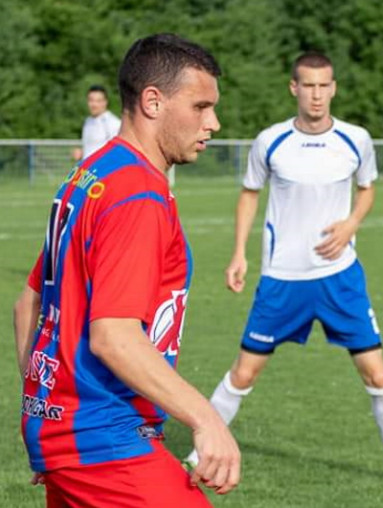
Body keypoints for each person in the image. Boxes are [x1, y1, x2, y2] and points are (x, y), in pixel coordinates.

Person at [13, 33, 240, 507]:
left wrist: (42, 414)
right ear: (153, 102)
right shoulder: (138, 195)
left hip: (70, 434)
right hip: (104, 438)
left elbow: (27, 305)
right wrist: (206, 418)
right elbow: (113, 336)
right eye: (200, 107)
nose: (213, 123)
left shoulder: (92, 173)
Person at [183, 52, 383, 487]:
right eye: (308, 85)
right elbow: (249, 194)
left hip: (339, 277)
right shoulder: (270, 141)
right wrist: (239, 253)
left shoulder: (356, 139)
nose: (316, 95)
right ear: (294, 88)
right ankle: (194, 457)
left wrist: (351, 223)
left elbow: (368, 189)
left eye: (324, 85)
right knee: (244, 373)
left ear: (334, 88)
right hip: (282, 279)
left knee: (376, 373)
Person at [72, 85, 122, 161]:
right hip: (88, 167)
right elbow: (91, 149)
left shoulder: (113, 123)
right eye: (91, 100)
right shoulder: (88, 121)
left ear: (105, 102)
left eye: (98, 101)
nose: (94, 104)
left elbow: (117, 151)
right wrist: (81, 153)